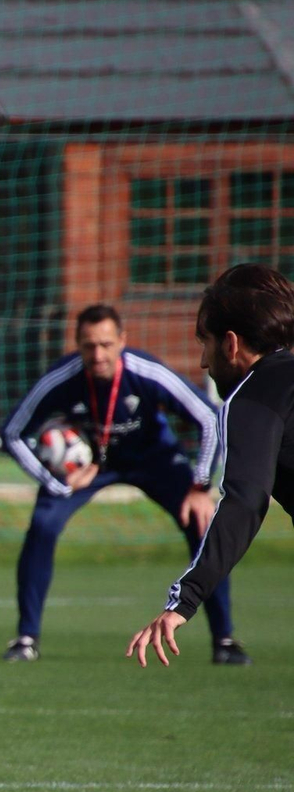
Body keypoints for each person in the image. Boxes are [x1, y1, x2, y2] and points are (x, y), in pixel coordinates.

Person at [1, 304, 248, 665]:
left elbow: (209, 419)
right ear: (77, 345)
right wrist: (55, 481)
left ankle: (224, 640)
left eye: (105, 344)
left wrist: (200, 486)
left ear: (122, 341)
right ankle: (26, 638)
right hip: (91, 466)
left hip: (154, 460)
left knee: (203, 524)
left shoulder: (146, 372)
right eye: (88, 346)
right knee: (42, 524)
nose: (97, 354)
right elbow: (11, 432)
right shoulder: (63, 378)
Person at [129, 264, 294, 666]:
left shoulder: (253, 395)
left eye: (204, 343)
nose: (203, 362)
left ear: (231, 344)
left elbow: (245, 499)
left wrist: (184, 600)